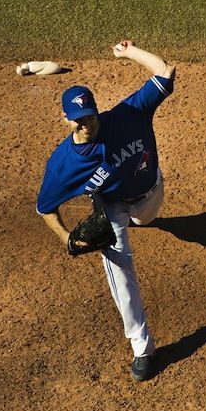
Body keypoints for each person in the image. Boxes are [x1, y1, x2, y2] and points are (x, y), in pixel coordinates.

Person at [36, 40, 175, 381]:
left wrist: (131, 52)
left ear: (97, 111)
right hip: (110, 206)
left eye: (89, 116)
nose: (85, 124)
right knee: (119, 268)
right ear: (66, 119)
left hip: (150, 190)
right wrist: (67, 238)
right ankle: (142, 346)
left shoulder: (128, 114)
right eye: (78, 119)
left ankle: (144, 218)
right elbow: (45, 208)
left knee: (145, 217)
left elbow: (165, 72)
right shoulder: (63, 166)